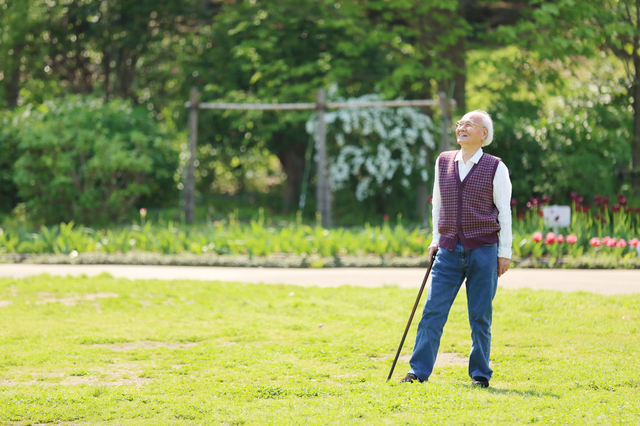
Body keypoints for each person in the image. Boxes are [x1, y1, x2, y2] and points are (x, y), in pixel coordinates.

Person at [401, 110, 512, 388]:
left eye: (468, 125)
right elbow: (437, 205)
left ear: (483, 133)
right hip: (448, 248)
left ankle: (479, 374)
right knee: (432, 311)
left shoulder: (496, 166)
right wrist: (435, 239)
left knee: (479, 315)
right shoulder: (443, 161)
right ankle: (418, 371)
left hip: (483, 249)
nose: (461, 128)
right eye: (459, 124)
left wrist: (504, 252)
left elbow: (504, 213)